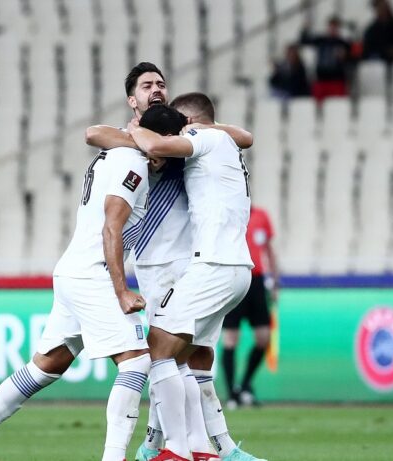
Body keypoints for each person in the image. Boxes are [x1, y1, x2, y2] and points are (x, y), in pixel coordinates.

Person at [0, 103, 187, 461]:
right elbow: (112, 227)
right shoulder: (133, 163)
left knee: (48, 364)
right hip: (94, 274)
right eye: (174, 142)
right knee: (136, 362)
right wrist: (121, 290)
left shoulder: (114, 154)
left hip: (73, 270)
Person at [87, 65, 264, 461]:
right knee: (177, 355)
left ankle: (177, 447)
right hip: (162, 261)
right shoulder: (139, 140)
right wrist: (136, 134)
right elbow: (94, 133)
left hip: (201, 261)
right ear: (132, 98)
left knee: (174, 353)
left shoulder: (186, 136)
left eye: (161, 84)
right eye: (147, 85)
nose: (156, 88)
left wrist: (165, 131)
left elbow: (243, 135)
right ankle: (195, 446)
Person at [126, 92, 258, 461]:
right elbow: (245, 136)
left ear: (189, 123)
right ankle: (211, 449)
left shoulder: (205, 138)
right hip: (233, 267)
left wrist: (135, 128)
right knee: (186, 356)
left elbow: (155, 144)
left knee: (158, 347)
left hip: (214, 265)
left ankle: (174, 449)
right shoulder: (223, 141)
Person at [222, 205, 279, 410]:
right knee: (231, 338)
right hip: (234, 277)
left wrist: (275, 282)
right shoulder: (227, 214)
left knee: (263, 337)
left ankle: (245, 385)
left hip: (256, 281)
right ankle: (231, 393)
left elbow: (269, 250)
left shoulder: (261, 216)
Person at [299, 15, 352, 102]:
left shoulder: (343, 43)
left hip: (337, 80)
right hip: (321, 79)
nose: (333, 29)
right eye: (331, 26)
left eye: (335, 27)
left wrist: (345, 56)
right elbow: (304, 41)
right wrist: (305, 29)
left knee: (339, 103)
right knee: (317, 104)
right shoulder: (321, 40)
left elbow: (353, 58)